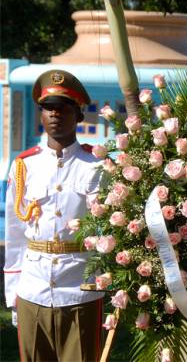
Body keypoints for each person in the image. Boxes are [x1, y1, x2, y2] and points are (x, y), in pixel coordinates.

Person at [3, 69, 104, 361]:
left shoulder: (96, 166)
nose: (55, 114)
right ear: (41, 115)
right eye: (48, 108)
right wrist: (13, 295)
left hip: (81, 290)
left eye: (63, 107)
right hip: (32, 289)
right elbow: (14, 232)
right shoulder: (24, 166)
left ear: (79, 114)